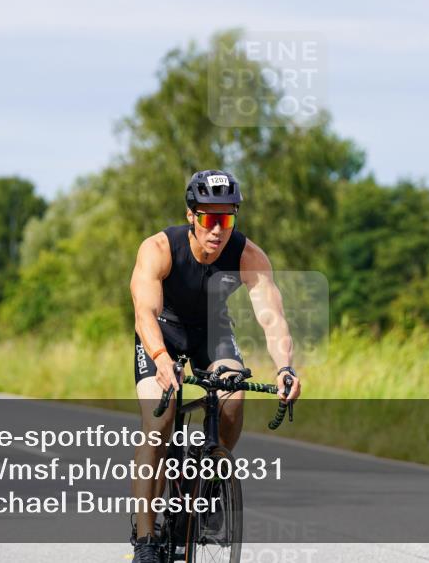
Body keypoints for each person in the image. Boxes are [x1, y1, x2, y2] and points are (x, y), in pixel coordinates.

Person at [129, 169, 302, 561]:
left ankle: (212, 482)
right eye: (210, 218)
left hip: (212, 328)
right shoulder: (158, 248)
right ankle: (145, 537)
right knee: (159, 421)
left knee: (233, 395)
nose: (218, 229)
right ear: (192, 215)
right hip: (162, 331)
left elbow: (272, 317)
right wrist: (160, 359)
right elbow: (144, 312)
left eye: (227, 218)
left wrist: (285, 368)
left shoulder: (247, 254)